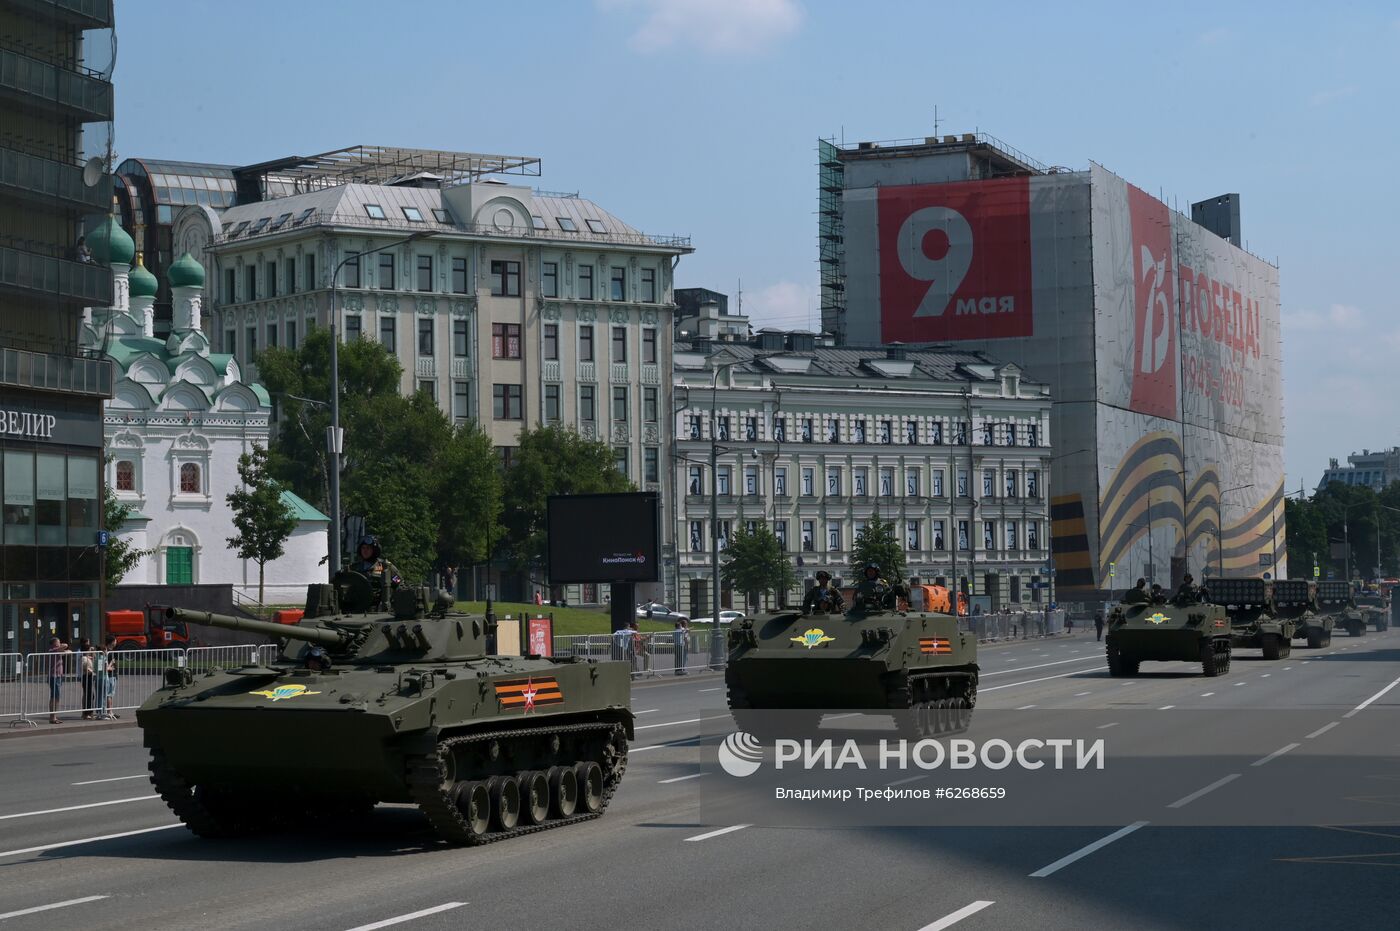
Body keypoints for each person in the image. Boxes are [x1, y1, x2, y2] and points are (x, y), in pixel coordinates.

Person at [352, 535, 402, 606]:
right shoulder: (354, 568)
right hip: (357, 608)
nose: (365, 550)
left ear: (374, 550)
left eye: (368, 548)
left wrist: (393, 599)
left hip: (379, 609)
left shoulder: (384, 566)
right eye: (363, 548)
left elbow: (398, 582)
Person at [46, 637, 70, 724]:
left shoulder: (58, 651)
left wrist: (64, 650)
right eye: (58, 642)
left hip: (59, 676)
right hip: (54, 676)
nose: (60, 644)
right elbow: (65, 646)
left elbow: (68, 651)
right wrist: (62, 646)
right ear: (54, 644)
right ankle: (52, 717)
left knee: (57, 697)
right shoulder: (52, 650)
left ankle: (54, 717)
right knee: (54, 697)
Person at [97, 634, 118, 720]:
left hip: (113, 675)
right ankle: (109, 711)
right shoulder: (106, 652)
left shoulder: (111, 651)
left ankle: (110, 711)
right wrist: (110, 665)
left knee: (110, 694)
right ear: (112, 642)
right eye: (115, 640)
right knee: (109, 694)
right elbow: (104, 666)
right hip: (109, 676)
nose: (116, 642)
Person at [79, 637, 95, 719]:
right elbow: (84, 667)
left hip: (89, 676)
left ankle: (90, 711)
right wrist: (91, 671)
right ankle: (87, 713)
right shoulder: (84, 658)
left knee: (90, 695)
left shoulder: (88, 657)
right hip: (86, 676)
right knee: (88, 694)